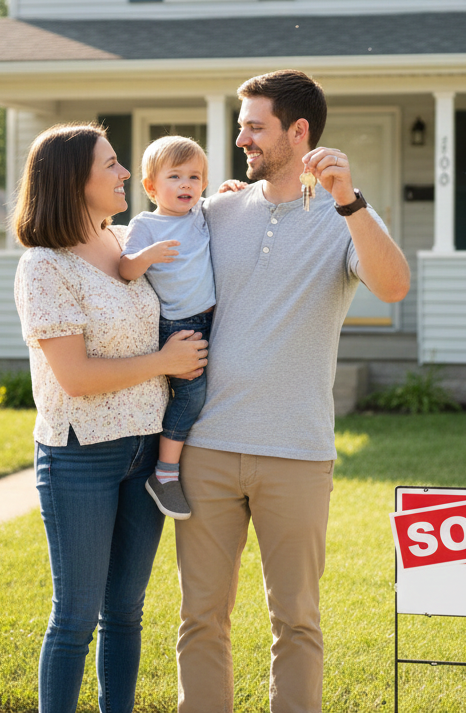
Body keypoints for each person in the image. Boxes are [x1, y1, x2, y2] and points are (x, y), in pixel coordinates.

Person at [174, 69, 411, 712]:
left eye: (255, 127)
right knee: (200, 618)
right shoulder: (215, 212)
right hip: (208, 447)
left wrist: (351, 202)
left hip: (297, 452)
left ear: (298, 131)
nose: (241, 139)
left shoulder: (346, 215)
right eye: (241, 125)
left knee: (297, 621)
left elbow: (394, 287)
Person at [12, 123, 208, 713]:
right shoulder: (44, 266)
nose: (125, 173)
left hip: (147, 449)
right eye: (113, 164)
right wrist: (165, 362)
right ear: (74, 179)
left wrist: (223, 196)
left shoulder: (123, 241)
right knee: (75, 616)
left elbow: (190, 229)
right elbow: (74, 376)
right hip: (81, 455)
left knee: (125, 611)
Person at [119, 136, 215, 520]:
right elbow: (126, 269)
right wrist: (147, 255)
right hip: (179, 326)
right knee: (190, 395)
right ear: (151, 187)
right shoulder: (146, 224)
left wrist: (230, 189)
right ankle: (165, 473)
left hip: (213, 319)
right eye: (174, 176)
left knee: (212, 390)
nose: (186, 184)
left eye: (194, 176)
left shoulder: (200, 214)